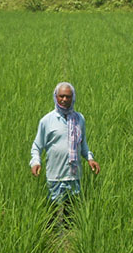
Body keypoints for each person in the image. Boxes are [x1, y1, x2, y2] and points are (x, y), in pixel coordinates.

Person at [30, 82, 100, 225]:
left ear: (73, 98)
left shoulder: (79, 119)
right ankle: (52, 238)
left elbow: (83, 144)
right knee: (51, 215)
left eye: (68, 96)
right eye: (61, 96)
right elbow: (37, 146)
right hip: (54, 175)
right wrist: (36, 162)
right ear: (55, 97)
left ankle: (70, 239)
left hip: (73, 175)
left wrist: (90, 158)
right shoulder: (47, 121)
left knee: (70, 216)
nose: (64, 99)